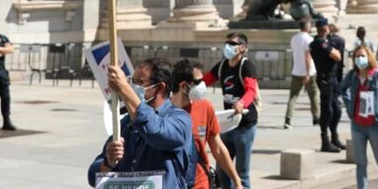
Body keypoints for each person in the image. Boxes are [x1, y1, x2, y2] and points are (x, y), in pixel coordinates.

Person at [87, 59, 194, 188]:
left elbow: (155, 131)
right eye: (132, 82)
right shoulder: (126, 123)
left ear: (160, 87)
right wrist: (108, 163)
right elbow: (93, 177)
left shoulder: (180, 119)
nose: (133, 87)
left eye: (141, 83)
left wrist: (124, 88)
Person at [173, 59, 241, 189]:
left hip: (200, 182)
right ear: (184, 86)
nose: (203, 85)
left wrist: (236, 180)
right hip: (172, 183)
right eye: (198, 82)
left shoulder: (205, 107)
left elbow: (218, 149)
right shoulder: (163, 112)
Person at [340, 45, 378, 189]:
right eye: (357, 56)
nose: (360, 59)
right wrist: (349, 106)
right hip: (357, 125)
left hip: (376, 125)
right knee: (360, 163)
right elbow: (342, 88)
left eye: (363, 56)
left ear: (369, 57)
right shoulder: (352, 75)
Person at [203, 33, 259, 189]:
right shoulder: (222, 66)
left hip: (245, 125)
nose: (227, 46)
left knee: (242, 174)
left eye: (232, 44)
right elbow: (205, 81)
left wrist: (242, 103)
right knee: (222, 169)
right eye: (226, 43)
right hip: (228, 124)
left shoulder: (246, 66)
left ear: (242, 47)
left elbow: (251, 90)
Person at [309, 17, 345, 152]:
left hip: (333, 77)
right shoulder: (319, 42)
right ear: (326, 28)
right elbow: (337, 56)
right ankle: (325, 140)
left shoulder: (326, 41)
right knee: (327, 109)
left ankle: (334, 136)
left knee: (337, 109)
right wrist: (334, 49)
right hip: (325, 78)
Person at [284, 19, 320, 130]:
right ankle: (316, 118)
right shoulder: (309, 39)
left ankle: (288, 119)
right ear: (307, 27)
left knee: (293, 97)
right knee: (314, 95)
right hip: (309, 72)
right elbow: (307, 57)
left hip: (296, 71)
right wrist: (308, 73)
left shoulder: (294, 38)